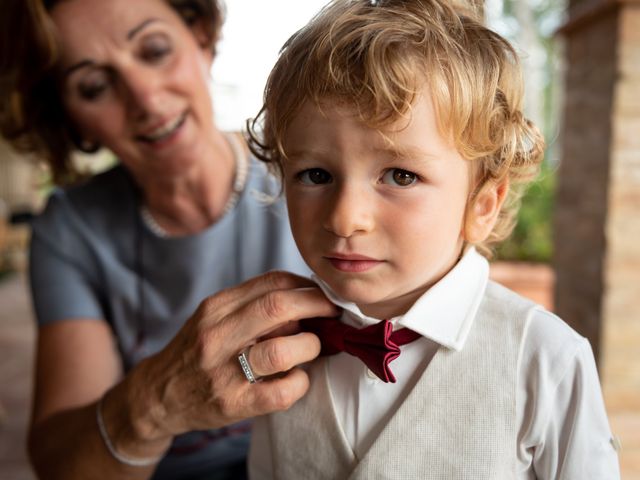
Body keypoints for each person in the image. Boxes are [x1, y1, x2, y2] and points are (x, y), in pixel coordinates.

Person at [246, 0, 621, 478]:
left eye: (400, 176)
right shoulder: (280, 347)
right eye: (315, 174)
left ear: (482, 205)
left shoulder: (546, 358)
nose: (345, 219)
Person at [0, 0, 339, 479]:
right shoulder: (70, 229)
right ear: (69, 119)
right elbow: (62, 465)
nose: (144, 97)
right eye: (94, 86)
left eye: (155, 50)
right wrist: (157, 404)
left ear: (200, 37)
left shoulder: (320, 177)